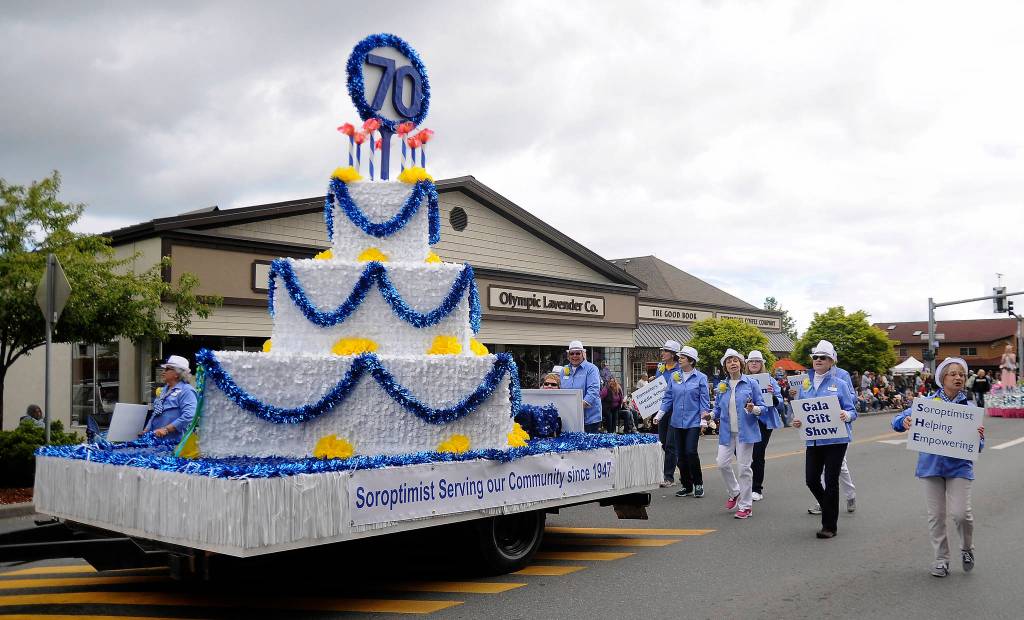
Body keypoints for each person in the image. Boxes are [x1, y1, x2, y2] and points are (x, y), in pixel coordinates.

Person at [891, 357, 984, 577]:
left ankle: (967, 548)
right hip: (931, 467)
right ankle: (941, 559)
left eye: (961, 374)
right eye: (953, 373)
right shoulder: (926, 404)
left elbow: (978, 446)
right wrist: (903, 423)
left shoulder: (969, 408)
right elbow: (896, 421)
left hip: (959, 467)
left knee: (962, 514)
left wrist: (978, 438)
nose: (958, 377)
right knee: (936, 516)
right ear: (943, 378)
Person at [791, 340, 857, 539]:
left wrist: (847, 415)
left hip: (836, 440)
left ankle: (829, 526)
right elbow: (802, 411)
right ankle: (829, 508)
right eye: (816, 357)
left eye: (823, 358)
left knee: (831, 481)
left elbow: (853, 410)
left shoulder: (840, 384)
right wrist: (796, 420)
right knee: (811, 479)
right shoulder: (805, 384)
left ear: (831, 362)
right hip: (814, 440)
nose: (818, 360)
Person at [710, 349, 766, 519]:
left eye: (735, 360)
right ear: (725, 367)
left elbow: (762, 408)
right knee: (721, 463)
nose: (732, 363)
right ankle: (735, 492)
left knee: (743, 468)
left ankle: (746, 506)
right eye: (728, 361)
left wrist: (753, 408)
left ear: (741, 364)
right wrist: (710, 415)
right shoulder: (723, 385)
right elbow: (718, 408)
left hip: (746, 432)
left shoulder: (751, 383)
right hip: (727, 433)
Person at [654, 345, 709, 498]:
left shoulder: (701, 378)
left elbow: (704, 402)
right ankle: (687, 485)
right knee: (680, 454)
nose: (680, 359)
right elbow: (668, 397)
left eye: (683, 357)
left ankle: (698, 483)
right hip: (676, 421)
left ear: (691, 361)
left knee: (690, 452)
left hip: (693, 421)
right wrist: (660, 414)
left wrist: (703, 421)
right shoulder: (674, 376)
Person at [746, 351, 782, 502]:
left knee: (758, 455)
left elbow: (779, 403)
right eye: (751, 361)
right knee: (744, 455)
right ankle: (745, 486)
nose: (754, 363)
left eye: (757, 361)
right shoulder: (742, 379)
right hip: (746, 421)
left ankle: (756, 488)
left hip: (764, 421)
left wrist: (772, 396)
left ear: (762, 364)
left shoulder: (770, 380)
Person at [144, 355, 198, 443]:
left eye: (167, 369)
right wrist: (146, 430)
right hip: (155, 441)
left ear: (177, 373)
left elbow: (189, 416)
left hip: (174, 444)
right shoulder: (164, 390)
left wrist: (166, 429)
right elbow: (156, 413)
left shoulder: (186, 390)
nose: (163, 372)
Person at [653, 340, 683, 487]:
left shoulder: (680, 369)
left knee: (671, 444)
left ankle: (668, 477)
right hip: (662, 409)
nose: (663, 353)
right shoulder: (660, 368)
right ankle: (684, 469)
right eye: (663, 350)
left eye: (666, 351)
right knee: (664, 443)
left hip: (676, 410)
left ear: (673, 354)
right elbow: (656, 389)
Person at [560, 341, 602, 433]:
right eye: (572, 353)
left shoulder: (591, 369)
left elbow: (593, 390)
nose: (574, 356)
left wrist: (578, 406)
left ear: (583, 354)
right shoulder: (564, 370)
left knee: (589, 446)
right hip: (569, 417)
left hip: (589, 418)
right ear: (568, 355)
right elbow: (561, 391)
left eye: (577, 353)